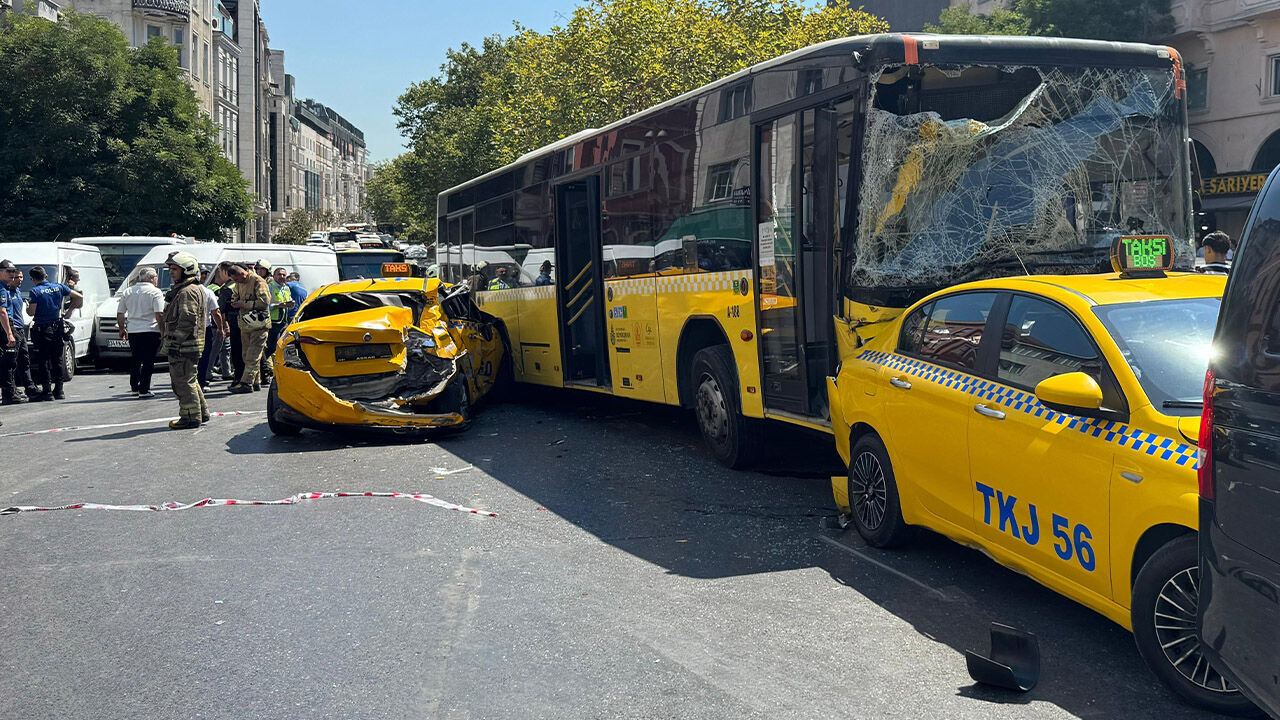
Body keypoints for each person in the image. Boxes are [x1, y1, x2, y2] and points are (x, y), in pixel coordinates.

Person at [161, 252, 207, 429]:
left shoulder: (187, 291)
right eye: (170, 269)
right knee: (190, 379)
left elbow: (188, 319)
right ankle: (202, 412)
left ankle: (189, 416)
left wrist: (175, 343)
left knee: (182, 382)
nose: (171, 272)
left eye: (175, 269)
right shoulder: (190, 289)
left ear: (186, 270)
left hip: (184, 345)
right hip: (190, 344)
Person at [25, 265, 81, 401]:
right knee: (57, 359)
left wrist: (27, 306)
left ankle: (47, 391)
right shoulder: (59, 287)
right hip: (58, 326)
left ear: (33, 279)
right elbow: (79, 297)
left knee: (43, 360)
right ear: (45, 276)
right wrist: (69, 311)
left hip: (43, 328)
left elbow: (31, 312)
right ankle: (59, 390)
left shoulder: (35, 291)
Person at [115, 267, 166, 398]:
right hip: (150, 329)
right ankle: (144, 388)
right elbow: (159, 313)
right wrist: (162, 330)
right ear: (151, 278)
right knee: (148, 360)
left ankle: (134, 387)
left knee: (136, 359)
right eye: (155, 277)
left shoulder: (128, 291)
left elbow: (120, 312)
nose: (156, 280)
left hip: (133, 330)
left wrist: (122, 328)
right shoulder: (156, 292)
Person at [228, 261, 270, 394]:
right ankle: (255, 382)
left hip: (259, 325)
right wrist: (235, 301)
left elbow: (264, 302)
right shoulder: (239, 283)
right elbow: (235, 295)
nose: (236, 282)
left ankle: (246, 383)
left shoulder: (258, 281)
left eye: (236, 279)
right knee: (246, 355)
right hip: (245, 324)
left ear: (242, 274)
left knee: (253, 355)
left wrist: (244, 304)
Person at [0, 259, 31, 405]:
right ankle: (9, 393)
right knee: (9, 361)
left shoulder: (6, 287)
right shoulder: (1, 289)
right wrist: (10, 333)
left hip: (10, 325)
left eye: (14, 271)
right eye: (9, 271)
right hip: (7, 326)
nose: (13, 274)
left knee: (11, 360)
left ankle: (11, 390)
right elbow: (2, 312)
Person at [197, 267, 228, 389]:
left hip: (188, 330)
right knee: (204, 357)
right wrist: (221, 328)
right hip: (205, 328)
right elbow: (216, 312)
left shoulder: (179, 291)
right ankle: (201, 382)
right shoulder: (207, 291)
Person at [267, 267, 295, 373]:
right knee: (271, 347)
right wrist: (280, 305)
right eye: (279, 274)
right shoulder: (270, 287)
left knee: (281, 346)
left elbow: (288, 303)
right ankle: (264, 367)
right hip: (273, 321)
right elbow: (266, 306)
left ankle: (277, 368)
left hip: (284, 321)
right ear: (274, 276)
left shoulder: (286, 288)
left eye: (283, 275)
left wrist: (291, 304)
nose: (281, 277)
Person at [215, 262, 239, 381]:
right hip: (244, 321)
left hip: (233, 322)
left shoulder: (226, 289)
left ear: (225, 272)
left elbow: (221, 310)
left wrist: (224, 325)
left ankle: (238, 377)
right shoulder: (240, 284)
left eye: (220, 272)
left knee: (235, 351)